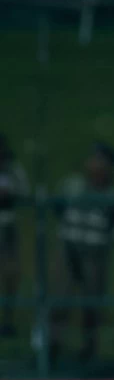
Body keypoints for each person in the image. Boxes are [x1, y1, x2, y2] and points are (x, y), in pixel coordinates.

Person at [54, 142, 114, 360]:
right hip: (68, 248)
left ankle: (89, 348)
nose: (96, 166)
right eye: (93, 160)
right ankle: (52, 345)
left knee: (92, 301)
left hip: (95, 253)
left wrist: (104, 242)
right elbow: (57, 208)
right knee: (59, 296)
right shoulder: (72, 185)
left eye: (101, 162)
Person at [0, 134, 28, 337]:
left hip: (8, 225)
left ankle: (8, 320)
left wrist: (10, 193)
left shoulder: (13, 169)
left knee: (10, 273)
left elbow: (24, 191)